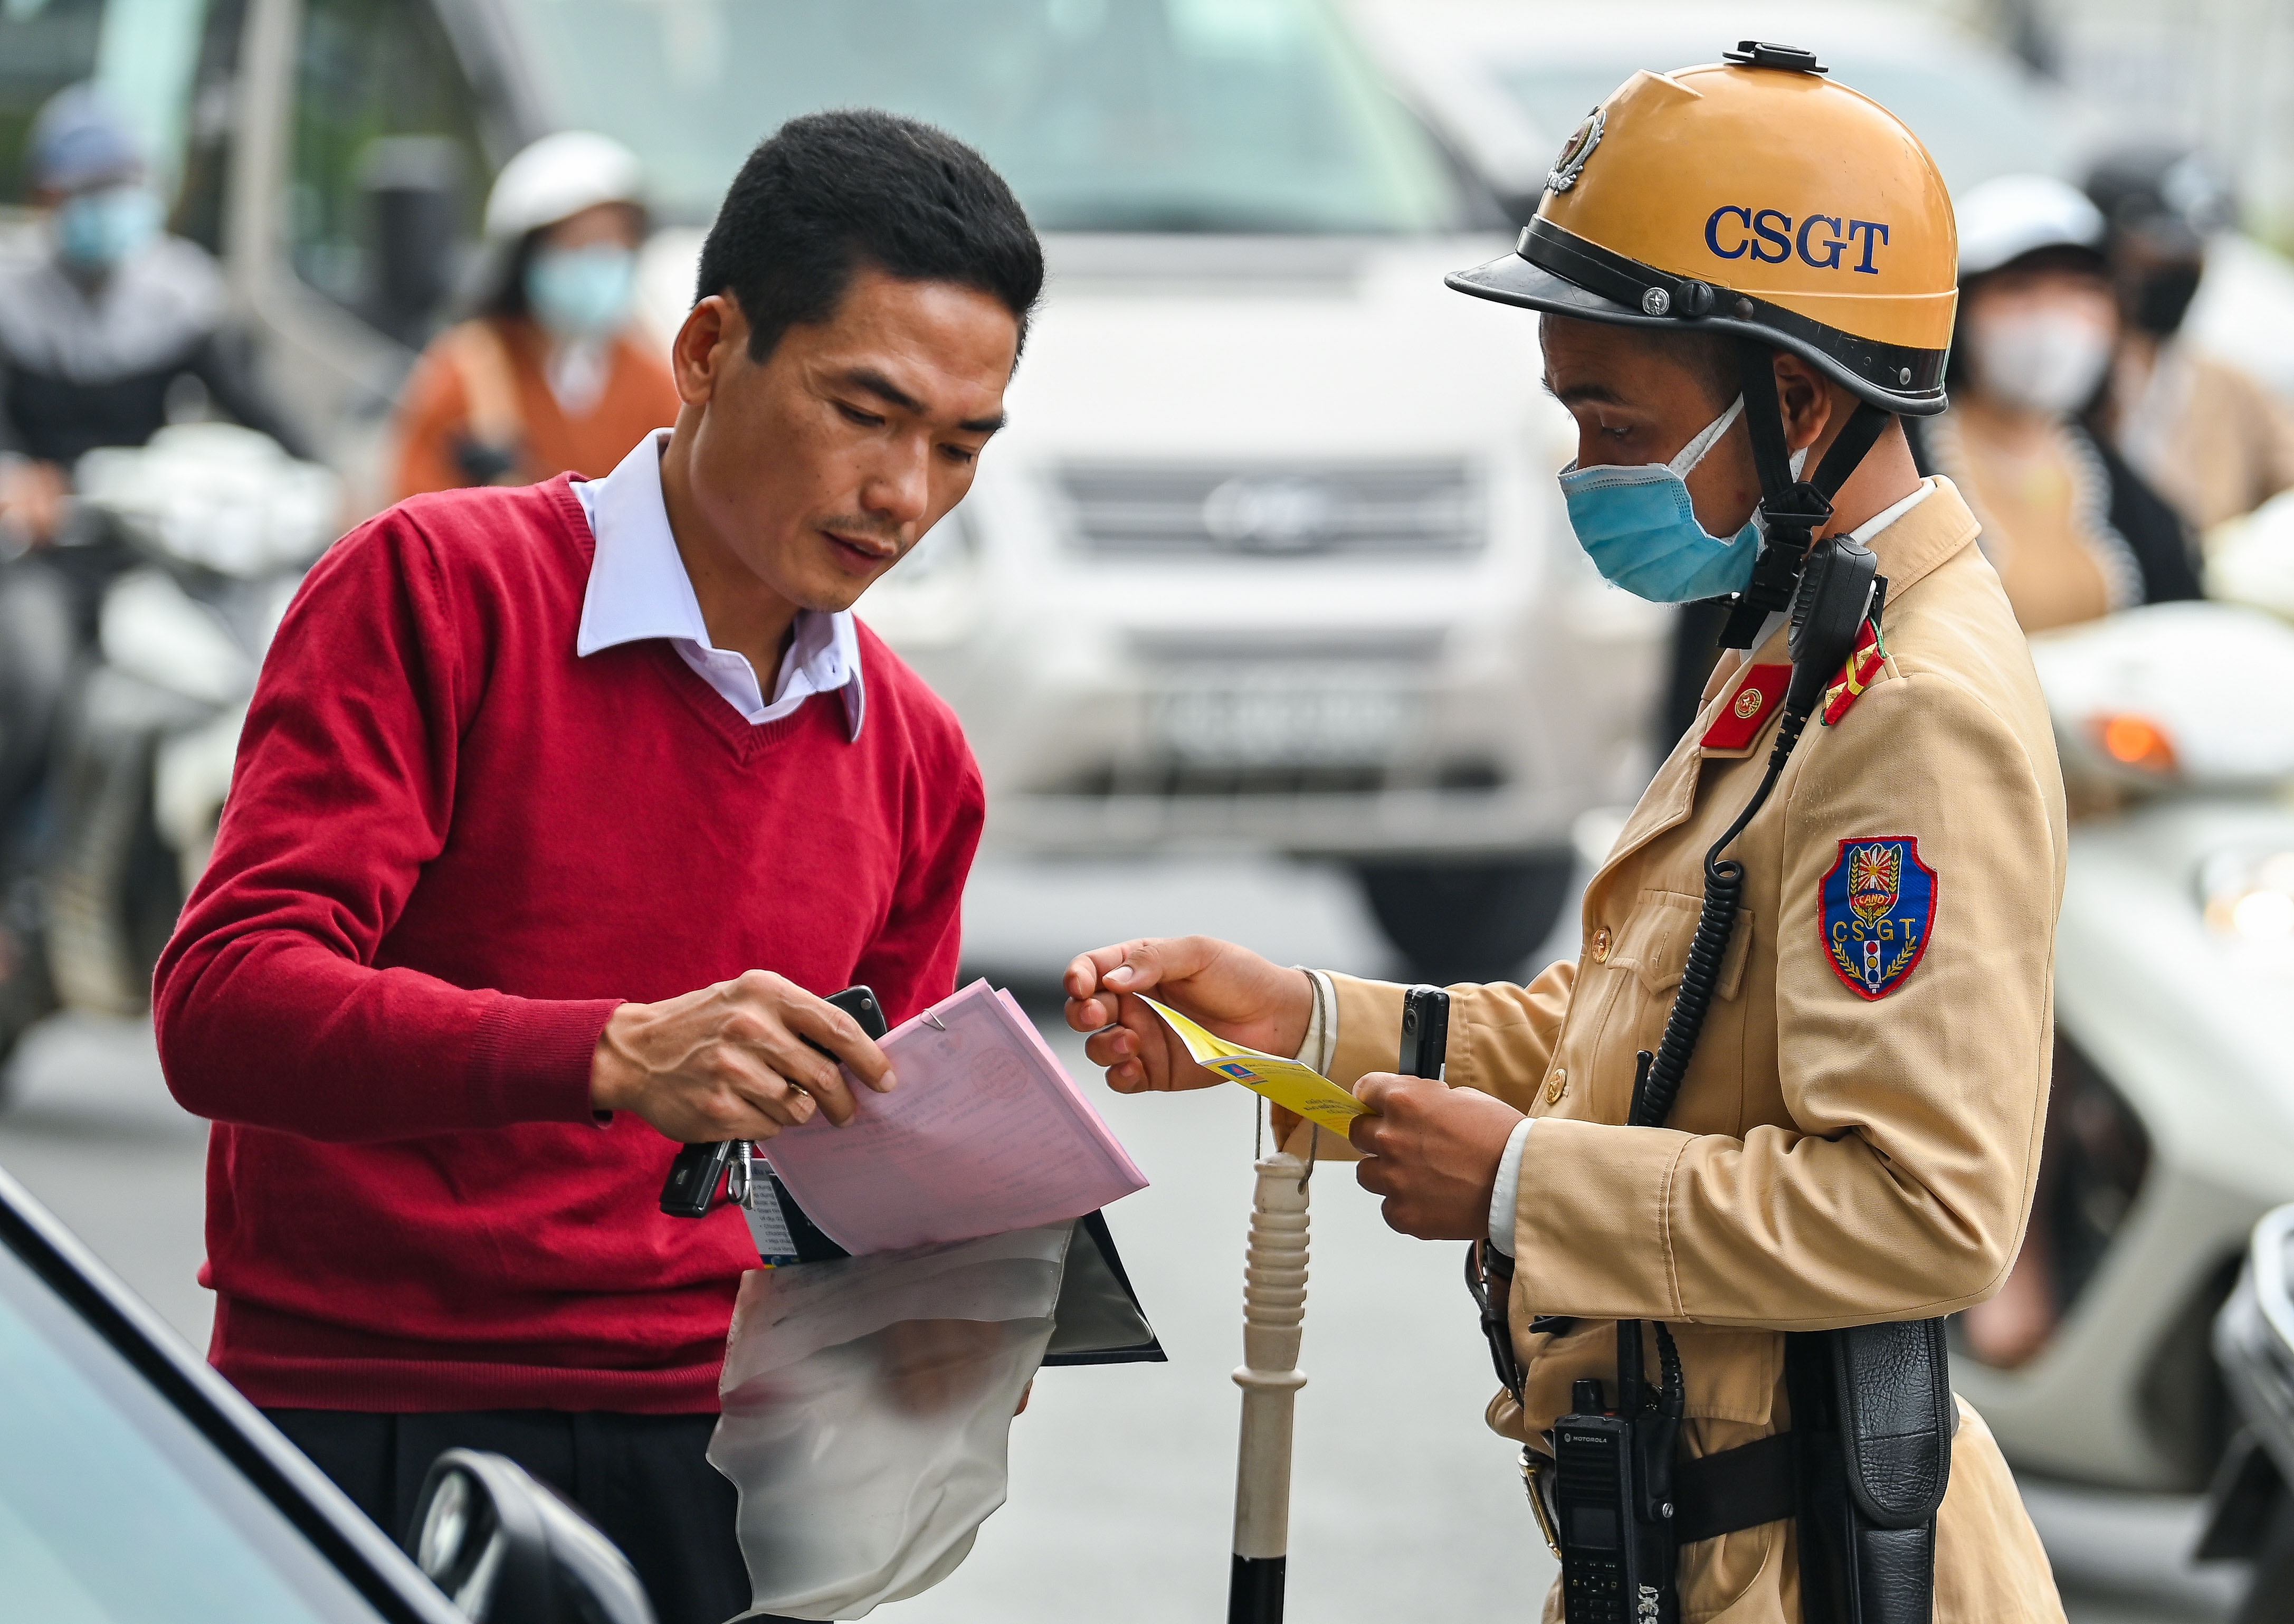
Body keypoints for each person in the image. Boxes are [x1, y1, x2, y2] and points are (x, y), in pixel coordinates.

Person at [1066, 48, 2067, 1622]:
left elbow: (1921, 1211)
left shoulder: (1913, 705)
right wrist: (1311, 1022)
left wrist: (1529, 1182)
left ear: (1793, 396)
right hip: (1687, 1549)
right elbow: (1640, 1034)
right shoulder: (1808, 637)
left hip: (1815, 1566)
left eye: (1610, 414)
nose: (1585, 465)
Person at [151, 110, 1039, 1624]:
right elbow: (224, 1004)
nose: (905, 493)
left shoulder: (914, 750)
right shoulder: (435, 590)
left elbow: (855, 1161)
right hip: (372, 1415)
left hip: (718, 1461)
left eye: (959, 446)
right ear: (707, 350)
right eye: (863, 411)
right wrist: (613, 1052)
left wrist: (962, 1291)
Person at [0, 83, 307, 1018]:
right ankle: (12, 894)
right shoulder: (13, 298)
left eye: (125, 185)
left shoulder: (179, 293)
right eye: (90, 189)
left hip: (152, 549)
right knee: (34, 676)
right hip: (49, 553)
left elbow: (261, 411)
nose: (109, 207)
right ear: (51, 199)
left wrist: (328, 477)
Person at [1905, 174, 2198, 634]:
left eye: (2081, 288)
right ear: (1956, 308)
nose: (2052, 317)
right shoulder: (1891, 468)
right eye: (2018, 287)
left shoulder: (2132, 494)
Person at [389, 130, 682, 501]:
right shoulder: (469, 371)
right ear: (525, 257)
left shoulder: (655, 385)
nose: (597, 266)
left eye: (613, 247)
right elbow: (410, 514)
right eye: (577, 244)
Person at [2087, 146, 2294, 538]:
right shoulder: (2060, 375)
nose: (2183, 269)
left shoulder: (2229, 386)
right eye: (2161, 254)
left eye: (2195, 254)